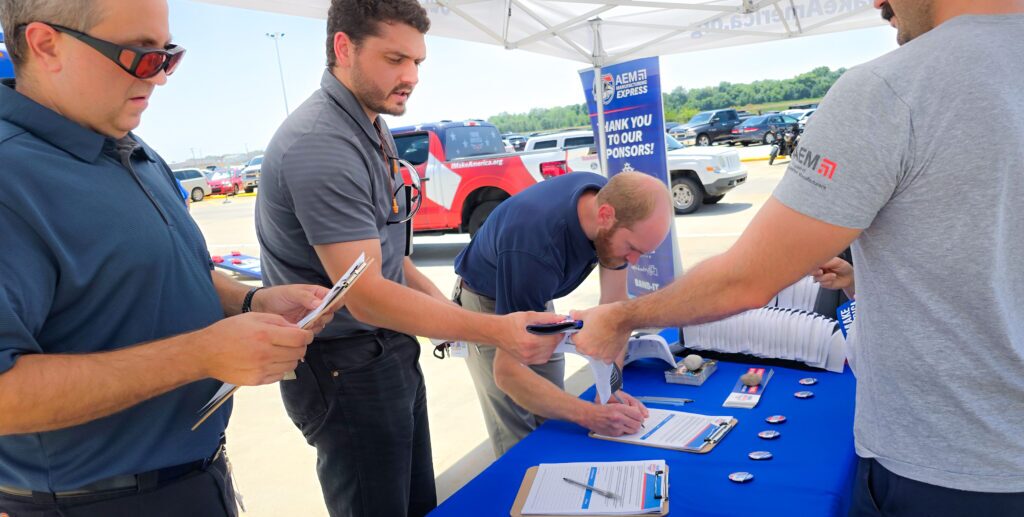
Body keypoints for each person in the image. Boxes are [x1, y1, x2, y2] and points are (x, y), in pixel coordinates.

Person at [572, 1, 1024, 514]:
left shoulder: (894, 90)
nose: (878, 3)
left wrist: (622, 316)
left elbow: (744, 280)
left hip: (950, 467)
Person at [0, 1, 341, 516]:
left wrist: (254, 301)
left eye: (168, 55)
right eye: (139, 55)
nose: (159, 77)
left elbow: (178, 270)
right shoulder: (10, 178)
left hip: (195, 479)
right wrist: (199, 355)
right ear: (47, 45)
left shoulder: (134, 151)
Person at [253, 1, 561, 516]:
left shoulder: (368, 125)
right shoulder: (321, 143)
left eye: (418, 62)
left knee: (416, 503)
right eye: (395, 59)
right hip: (345, 370)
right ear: (343, 48)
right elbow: (367, 295)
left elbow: (392, 260)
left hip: (385, 353)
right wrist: (494, 330)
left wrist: (447, 318)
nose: (411, 76)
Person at [453, 171, 672, 456]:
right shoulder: (535, 246)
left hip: (535, 292)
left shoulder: (612, 206)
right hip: (487, 303)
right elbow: (508, 373)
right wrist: (590, 415)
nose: (633, 261)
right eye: (631, 249)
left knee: (553, 416)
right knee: (517, 433)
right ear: (605, 215)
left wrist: (609, 391)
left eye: (642, 252)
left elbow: (614, 309)